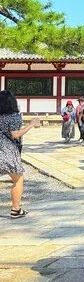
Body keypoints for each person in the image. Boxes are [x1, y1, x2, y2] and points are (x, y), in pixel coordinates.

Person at [0, 90, 40, 219]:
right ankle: (15, 209)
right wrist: (31, 124)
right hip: (7, 150)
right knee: (18, 179)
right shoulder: (14, 116)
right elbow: (15, 134)